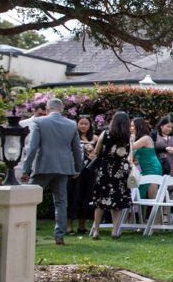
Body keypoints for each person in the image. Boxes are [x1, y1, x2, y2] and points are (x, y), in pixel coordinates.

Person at [21, 98, 83, 245]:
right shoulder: (71, 124)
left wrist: (26, 169)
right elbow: (77, 149)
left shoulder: (39, 122)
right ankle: (59, 235)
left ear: (47, 109)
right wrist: (78, 168)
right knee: (61, 202)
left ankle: (28, 233)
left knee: (29, 200)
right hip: (63, 167)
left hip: (44, 165)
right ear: (61, 109)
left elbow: (33, 147)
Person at [89, 112, 133, 240]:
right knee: (117, 201)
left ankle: (96, 230)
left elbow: (96, 152)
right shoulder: (128, 137)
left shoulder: (105, 134)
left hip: (105, 169)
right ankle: (115, 230)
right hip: (120, 170)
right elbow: (129, 153)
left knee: (100, 201)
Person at [67, 116, 97, 234]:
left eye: (86, 124)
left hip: (89, 172)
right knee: (73, 196)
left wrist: (91, 150)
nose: (83, 126)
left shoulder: (95, 138)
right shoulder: (72, 136)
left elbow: (98, 153)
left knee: (86, 197)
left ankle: (82, 225)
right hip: (75, 171)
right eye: (81, 123)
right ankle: (69, 225)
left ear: (90, 125)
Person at [131, 118, 162, 199]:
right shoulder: (139, 139)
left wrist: (132, 138)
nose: (130, 128)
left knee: (152, 198)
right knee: (142, 193)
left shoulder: (146, 138)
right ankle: (142, 211)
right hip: (144, 168)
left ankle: (156, 211)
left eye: (132, 126)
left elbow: (131, 147)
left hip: (152, 168)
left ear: (139, 127)